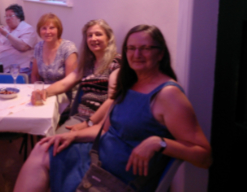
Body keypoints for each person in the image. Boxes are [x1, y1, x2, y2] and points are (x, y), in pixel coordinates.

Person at [15, 25, 212, 192]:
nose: (136, 54)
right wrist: (73, 135)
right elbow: (106, 130)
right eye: (131, 48)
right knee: (43, 147)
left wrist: (158, 143)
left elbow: (204, 156)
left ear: (160, 53)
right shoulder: (129, 83)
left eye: (145, 48)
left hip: (119, 176)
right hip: (96, 157)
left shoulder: (168, 95)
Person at [31, 19, 120, 133]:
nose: (93, 38)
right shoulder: (88, 64)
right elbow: (65, 83)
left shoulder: (116, 63)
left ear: (108, 38)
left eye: (98, 34)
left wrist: (88, 123)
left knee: (52, 145)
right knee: (48, 144)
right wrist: (45, 92)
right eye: (90, 35)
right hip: (81, 117)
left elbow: (112, 99)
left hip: (102, 121)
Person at [31, 13, 78, 84]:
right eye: (44, 28)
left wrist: (48, 92)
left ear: (58, 30)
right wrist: (37, 90)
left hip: (64, 92)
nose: (47, 32)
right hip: (44, 92)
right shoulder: (38, 47)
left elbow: (69, 82)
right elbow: (35, 75)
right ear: (39, 31)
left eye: (51, 28)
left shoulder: (68, 48)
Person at [0, 4, 38, 72]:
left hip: (18, 69)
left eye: (10, 16)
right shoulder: (6, 28)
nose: (7, 19)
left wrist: (7, 34)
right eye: (6, 16)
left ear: (19, 17)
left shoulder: (28, 29)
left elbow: (23, 46)